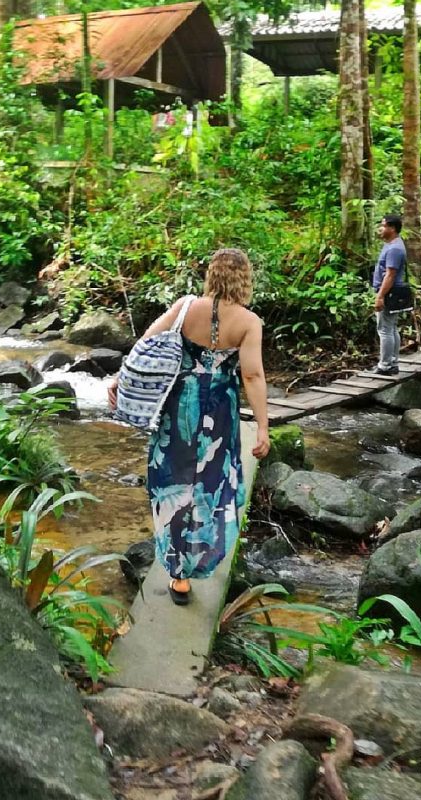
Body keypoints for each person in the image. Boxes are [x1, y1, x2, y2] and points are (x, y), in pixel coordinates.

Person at [108, 248, 270, 605]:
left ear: (211, 275)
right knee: (210, 484)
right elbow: (253, 375)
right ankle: (198, 560)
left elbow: (145, 345)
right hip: (219, 416)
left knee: (172, 480)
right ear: (245, 279)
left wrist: (121, 380)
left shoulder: (184, 307)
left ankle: (176, 573)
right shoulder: (248, 322)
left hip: (177, 407)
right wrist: (262, 427)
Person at [372, 214, 408, 374]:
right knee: (391, 327)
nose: (381, 228)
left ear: (392, 228)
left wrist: (380, 296)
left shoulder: (394, 249)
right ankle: (392, 362)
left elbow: (390, 274)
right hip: (392, 291)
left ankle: (385, 365)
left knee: (385, 329)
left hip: (389, 292)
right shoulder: (393, 244)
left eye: (383, 225)